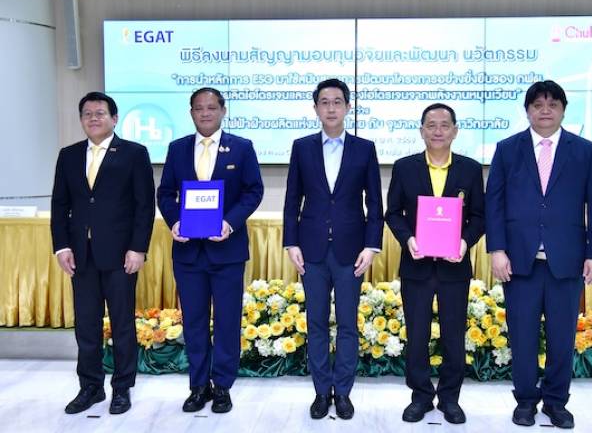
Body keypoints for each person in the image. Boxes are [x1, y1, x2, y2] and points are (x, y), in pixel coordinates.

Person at [485, 80, 592, 429]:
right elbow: (494, 203)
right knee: (522, 337)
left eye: (552, 104)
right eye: (538, 105)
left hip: (567, 261)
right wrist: (497, 249)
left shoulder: (584, 150)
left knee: (561, 338)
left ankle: (556, 402)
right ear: (527, 111)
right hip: (519, 261)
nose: (545, 111)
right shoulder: (508, 149)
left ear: (563, 110)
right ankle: (525, 401)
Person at [157, 87, 263, 413]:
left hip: (227, 252)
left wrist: (229, 223)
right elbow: (165, 193)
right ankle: (198, 386)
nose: (205, 113)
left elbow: (253, 191)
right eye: (199, 108)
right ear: (191, 112)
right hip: (188, 253)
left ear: (223, 111)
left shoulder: (242, 148)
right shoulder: (177, 149)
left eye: (212, 107)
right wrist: (175, 221)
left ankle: (223, 387)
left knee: (228, 322)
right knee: (194, 322)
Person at [283, 78, 383, 420]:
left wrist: (371, 245)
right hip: (311, 250)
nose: (331, 108)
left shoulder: (364, 148)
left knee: (347, 324)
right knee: (316, 323)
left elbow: (375, 203)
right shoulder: (302, 147)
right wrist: (291, 242)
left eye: (337, 102)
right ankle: (321, 392)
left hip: (351, 251)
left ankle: (343, 392)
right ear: (315, 108)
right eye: (324, 102)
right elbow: (292, 199)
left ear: (348, 107)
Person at [51, 92, 155, 415]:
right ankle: (90, 387)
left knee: (122, 325)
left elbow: (144, 205)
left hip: (121, 255)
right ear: (81, 119)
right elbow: (60, 205)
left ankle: (122, 388)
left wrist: (138, 248)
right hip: (81, 256)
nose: (93, 118)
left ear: (114, 118)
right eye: (87, 114)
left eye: (100, 113)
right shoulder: (68, 155)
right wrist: (62, 246)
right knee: (86, 325)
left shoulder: (134, 153)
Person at [385, 103, 484, 424]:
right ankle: (421, 396)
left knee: (454, 335)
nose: (438, 131)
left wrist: (464, 242)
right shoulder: (405, 167)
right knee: (417, 335)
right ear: (421, 131)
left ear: (455, 131)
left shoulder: (470, 169)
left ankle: (450, 398)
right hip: (417, 265)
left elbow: (479, 216)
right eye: (431, 125)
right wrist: (408, 239)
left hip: (455, 267)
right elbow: (393, 213)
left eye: (444, 125)